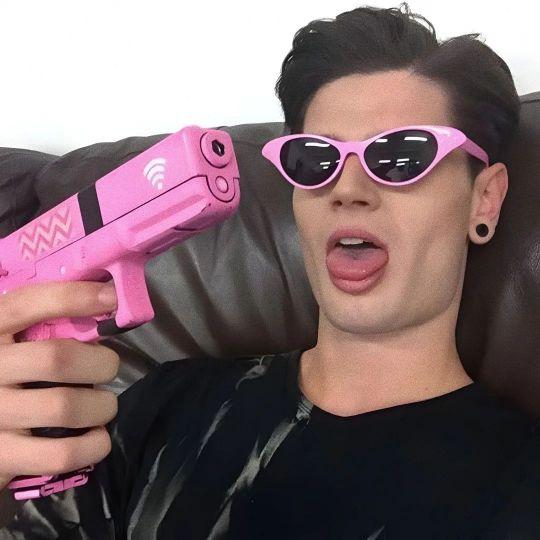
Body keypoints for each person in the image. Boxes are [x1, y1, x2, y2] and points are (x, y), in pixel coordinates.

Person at [1, 3, 539, 539]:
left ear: (484, 200)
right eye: (315, 160)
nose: (347, 189)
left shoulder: (521, 481)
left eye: (400, 157)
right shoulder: (165, 407)